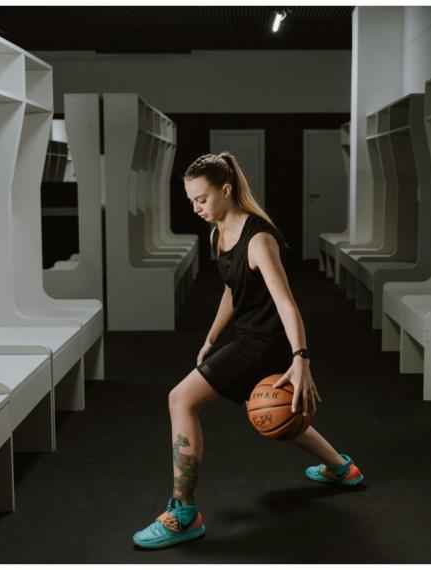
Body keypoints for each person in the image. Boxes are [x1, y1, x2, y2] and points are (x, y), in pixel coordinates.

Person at [132, 152, 364, 550]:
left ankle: (183, 512)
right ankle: (343, 468)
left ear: (226, 190)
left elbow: (287, 303)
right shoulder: (219, 232)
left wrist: (301, 358)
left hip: (267, 342)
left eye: (202, 199)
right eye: (191, 201)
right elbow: (232, 290)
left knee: (181, 400)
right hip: (249, 336)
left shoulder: (259, 240)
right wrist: (210, 338)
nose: (196, 208)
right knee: (276, 412)